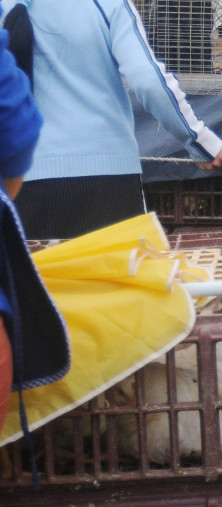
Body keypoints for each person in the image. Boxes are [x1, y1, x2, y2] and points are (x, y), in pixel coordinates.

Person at [0, 0, 222, 240]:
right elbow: (151, 84)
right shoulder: (110, 5)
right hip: (106, 184)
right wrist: (201, 141)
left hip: (20, 185)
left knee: (43, 291)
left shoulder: (8, 7)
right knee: (116, 289)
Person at [0, 28, 69, 428]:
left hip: (44, 178)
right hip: (101, 167)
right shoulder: (109, 6)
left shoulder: (14, 2)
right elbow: (16, 122)